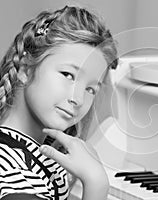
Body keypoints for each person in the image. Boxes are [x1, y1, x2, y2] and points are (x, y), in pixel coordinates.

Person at [0, 5, 118, 200]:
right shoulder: (11, 171)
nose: (78, 99)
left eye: (91, 89)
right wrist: (96, 183)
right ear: (25, 69)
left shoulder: (41, 153)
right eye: (68, 75)